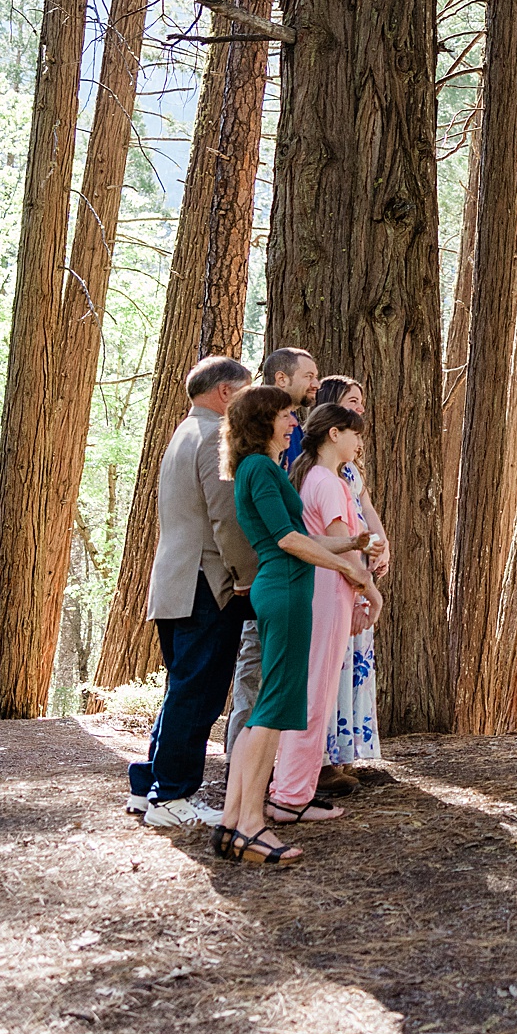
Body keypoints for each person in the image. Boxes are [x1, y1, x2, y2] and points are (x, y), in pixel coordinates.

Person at [218, 385, 375, 865]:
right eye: (286, 415)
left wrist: (350, 548)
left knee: (272, 707)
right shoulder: (260, 469)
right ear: (263, 421)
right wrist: (350, 571)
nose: (293, 423)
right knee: (274, 708)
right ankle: (249, 825)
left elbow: (303, 538)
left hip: (292, 588)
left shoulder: (265, 469)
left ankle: (231, 824)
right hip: (283, 591)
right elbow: (287, 540)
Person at [124, 356, 256, 829]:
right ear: (225, 393)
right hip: (206, 583)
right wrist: (245, 576)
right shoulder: (215, 436)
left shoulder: (184, 432)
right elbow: (226, 518)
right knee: (198, 694)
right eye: (246, 389)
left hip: (174, 581)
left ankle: (148, 787)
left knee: (182, 689)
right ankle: (172, 797)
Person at [266, 403, 380, 824]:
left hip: (318, 592)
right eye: (354, 434)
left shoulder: (311, 477)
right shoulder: (328, 484)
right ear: (334, 434)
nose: (359, 442)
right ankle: (291, 795)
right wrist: (371, 593)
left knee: (311, 692)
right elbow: (344, 550)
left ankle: (292, 788)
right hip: (329, 593)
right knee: (316, 696)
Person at [225, 347, 322, 745]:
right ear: (281, 380)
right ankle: (241, 775)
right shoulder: (257, 464)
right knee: (258, 679)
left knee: (277, 689)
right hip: (267, 575)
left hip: (287, 574)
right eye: (308, 375)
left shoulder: (284, 447)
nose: (315, 384)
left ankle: (262, 781)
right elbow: (241, 522)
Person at [312, 375, 389, 789]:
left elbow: (365, 505)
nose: (360, 407)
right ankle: (320, 759)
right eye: (351, 401)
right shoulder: (319, 467)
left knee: (354, 658)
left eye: (361, 401)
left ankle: (346, 752)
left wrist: (382, 543)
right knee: (332, 660)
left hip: (358, 554)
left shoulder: (350, 465)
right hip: (334, 563)